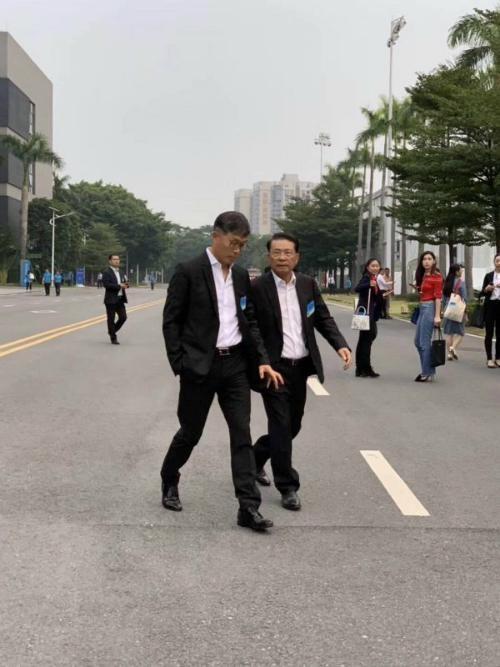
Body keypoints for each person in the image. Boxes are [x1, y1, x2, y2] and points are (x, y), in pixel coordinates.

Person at [161, 211, 283, 532]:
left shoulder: (241, 277)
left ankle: (248, 507)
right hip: (199, 367)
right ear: (216, 236)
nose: (238, 250)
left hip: (235, 366)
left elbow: (249, 321)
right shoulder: (189, 271)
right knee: (190, 432)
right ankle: (169, 477)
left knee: (241, 433)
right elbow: (171, 321)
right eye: (233, 243)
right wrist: (180, 363)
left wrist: (262, 359)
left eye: (242, 244)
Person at [250, 233, 352, 510]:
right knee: (281, 425)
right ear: (269, 256)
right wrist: (262, 360)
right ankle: (288, 486)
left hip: (300, 367)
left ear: (296, 257)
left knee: (292, 426)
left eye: (287, 253)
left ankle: (255, 457)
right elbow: (252, 327)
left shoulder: (307, 284)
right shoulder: (257, 287)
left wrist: (340, 344)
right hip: (274, 369)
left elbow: (322, 317)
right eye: (277, 252)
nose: (282, 258)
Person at [411, 251, 443, 382]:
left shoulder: (437, 276)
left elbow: (438, 297)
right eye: (424, 259)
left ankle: (426, 372)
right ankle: (429, 370)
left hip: (430, 308)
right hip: (422, 307)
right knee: (417, 342)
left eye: (429, 259)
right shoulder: (423, 275)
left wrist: (437, 316)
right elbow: (424, 292)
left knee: (424, 342)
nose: (427, 261)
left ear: (434, 261)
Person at [355, 258, 384, 378]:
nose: (375, 268)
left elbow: (376, 296)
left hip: (369, 313)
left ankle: (361, 368)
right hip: (365, 313)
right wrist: (369, 284)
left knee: (365, 339)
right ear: (368, 267)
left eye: (377, 266)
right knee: (367, 339)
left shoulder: (374, 278)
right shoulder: (367, 278)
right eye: (373, 266)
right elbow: (357, 288)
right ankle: (365, 368)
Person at [102, 254, 129, 345]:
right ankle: (113, 337)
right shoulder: (107, 272)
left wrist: (126, 285)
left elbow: (125, 282)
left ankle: (111, 331)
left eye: (118, 259)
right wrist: (119, 286)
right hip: (111, 299)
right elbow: (106, 285)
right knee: (111, 319)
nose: (117, 261)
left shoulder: (121, 272)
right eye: (114, 259)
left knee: (123, 317)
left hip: (120, 299)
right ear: (110, 261)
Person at [442, 264, 466, 361]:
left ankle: (449, 354)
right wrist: (466, 312)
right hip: (458, 309)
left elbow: (443, 298)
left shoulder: (447, 282)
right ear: (456, 272)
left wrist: (443, 309)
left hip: (448, 308)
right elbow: (464, 297)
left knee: (449, 332)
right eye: (460, 270)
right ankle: (453, 347)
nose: (462, 271)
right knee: (461, 332)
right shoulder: (461, 282)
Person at [481, 253, 500, 368]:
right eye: (497, 260)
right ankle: (489, 358)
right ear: (494, 262)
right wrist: (487, 288)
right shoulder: (488, 276)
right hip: (490, 306)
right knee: (489, 333)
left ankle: (498, 357)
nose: (499, 263)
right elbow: (482, 292)